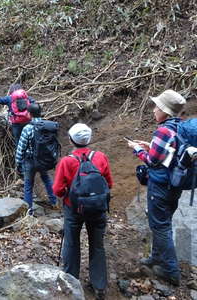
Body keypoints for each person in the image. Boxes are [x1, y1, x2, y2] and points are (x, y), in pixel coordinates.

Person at [127, 89, 186, 286]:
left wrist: (137, 150)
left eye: (158, 107)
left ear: (166, 112)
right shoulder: (180, 127)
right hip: (174, 184)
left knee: (160, 227)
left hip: (160, 186)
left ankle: (171, 271)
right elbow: (169, 153)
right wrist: (149, 144)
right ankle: (156, 257)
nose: (154, 110)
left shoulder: (163, 130)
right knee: (164, 221)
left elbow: (152, 161)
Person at [53, 123, 113, 300]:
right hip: (98, 209)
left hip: (74, 208)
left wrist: (68, 195)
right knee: (97, 245)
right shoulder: (100, 157)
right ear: (89, 139)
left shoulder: (67, 161)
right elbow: (108, 183)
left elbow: (57, 189)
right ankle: (99, 286)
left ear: (71, 140)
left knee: (71, 244)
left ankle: (71, 283)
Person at [15, 103, 57, 215]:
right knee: (47, 179)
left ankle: (29, 211)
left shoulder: (27, 128)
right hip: (43, 160)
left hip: (29, 161)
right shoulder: (47, 126)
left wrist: (18, 162)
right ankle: (54, 202)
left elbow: (21, 148)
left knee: (28, 185)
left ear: (29, 114)